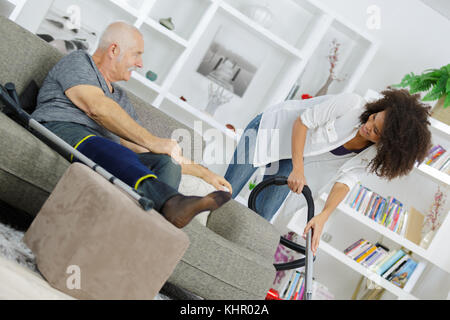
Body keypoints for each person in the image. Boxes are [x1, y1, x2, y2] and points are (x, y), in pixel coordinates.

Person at [31, 21, 233, 228]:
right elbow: (97, 108)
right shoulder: (79, 62)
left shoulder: (119, 98)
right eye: (137, 54)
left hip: (102, 148)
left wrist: (207, 174)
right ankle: (169, 205)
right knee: (115, 149)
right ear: (114, 50)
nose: (140, 64)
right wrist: (154, 141)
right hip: (62, 129)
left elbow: (141, 146)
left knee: (166, 161)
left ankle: (154, 222)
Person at [225, 89, 432, 254]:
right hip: (269, 130)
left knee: (262, 218)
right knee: (226, 192)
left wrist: (323, 215)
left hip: (291, 153)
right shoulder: (351, 104)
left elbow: (347, 180)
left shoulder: (373, 153)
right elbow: (303, 122)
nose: (368, 125)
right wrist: (298, 169)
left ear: (388, 142)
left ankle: (229, 256)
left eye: (376, 131)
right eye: (373, 118)